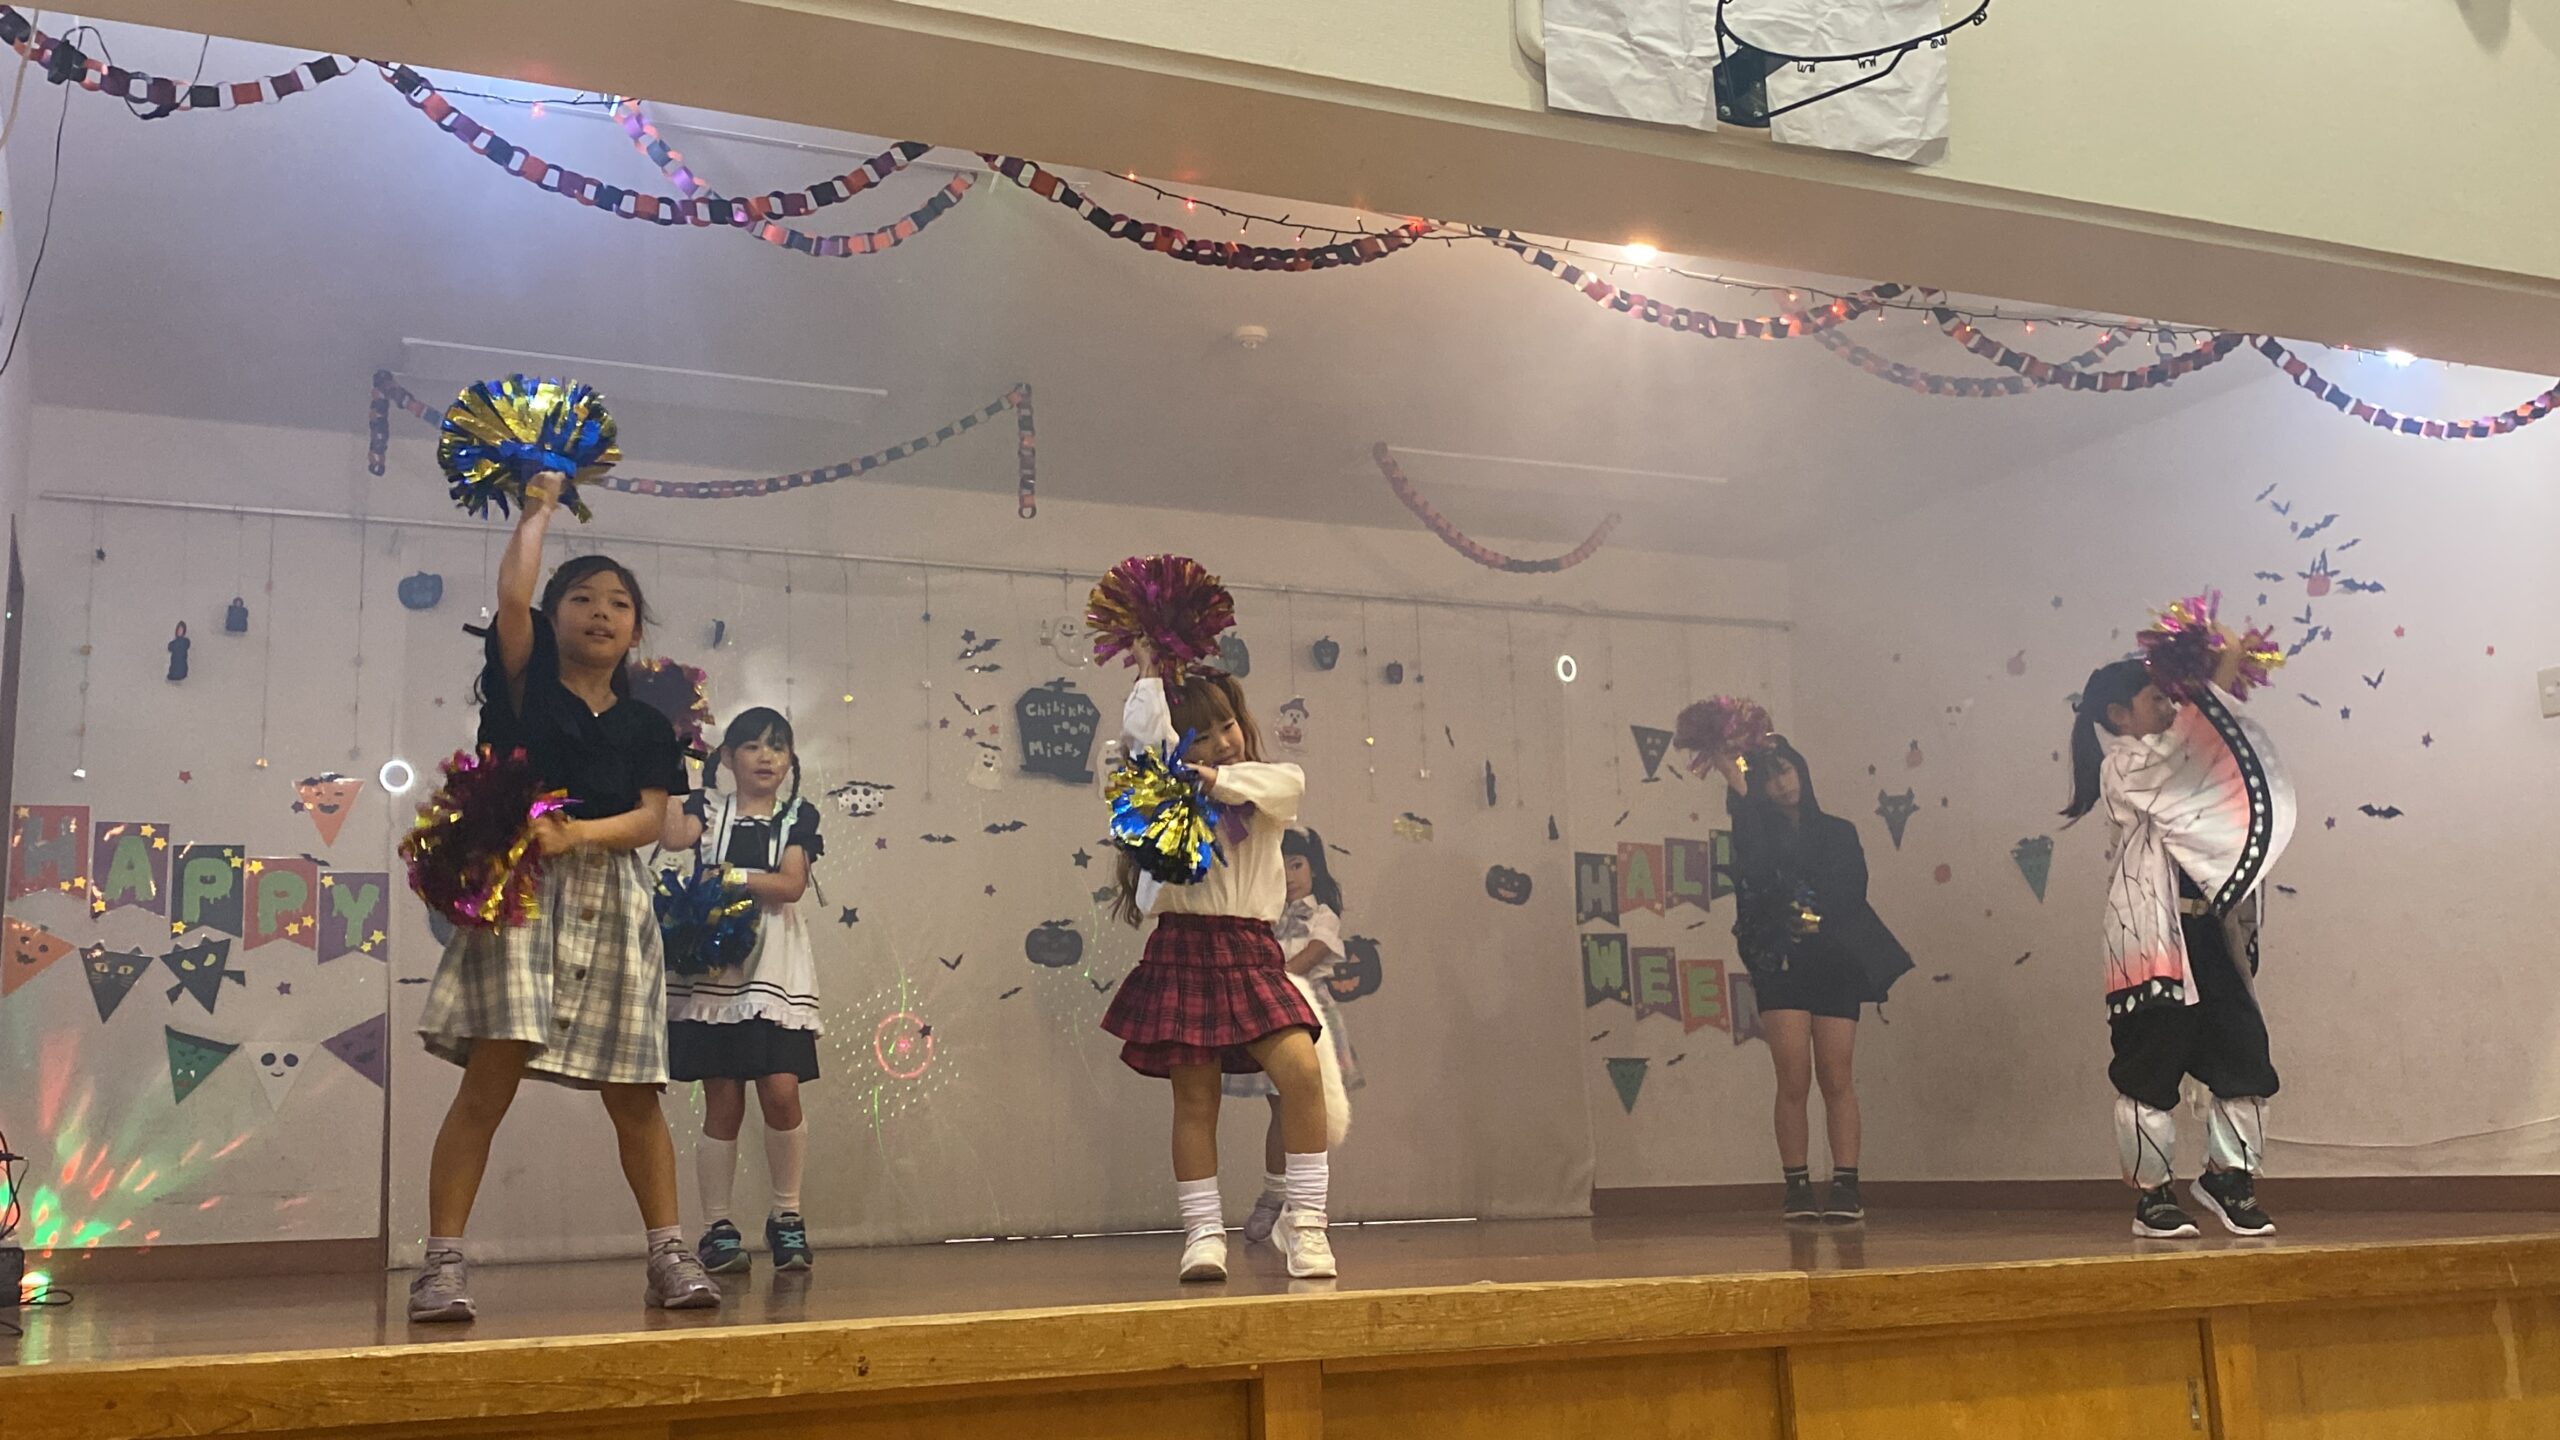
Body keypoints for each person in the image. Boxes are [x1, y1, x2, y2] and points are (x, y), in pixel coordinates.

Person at [408, 468, 716, 1322]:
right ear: (552, 617)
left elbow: (652, 819)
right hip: (523, 893)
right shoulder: (525, 684)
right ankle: (441, 1267)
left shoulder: (649, 724)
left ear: (636, 629)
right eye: (582, 598)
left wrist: (577, 834)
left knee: (636, 1092)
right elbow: (512, 594)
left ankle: (669, 1257)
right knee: (488, 1082)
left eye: (619, 604)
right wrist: (539, 508)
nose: (602, 613)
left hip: (612, 899)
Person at [1102, 649, 1338, 1281]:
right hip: (1183, 949)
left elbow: (1286, 785)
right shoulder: (1160, 801)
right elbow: (1144, 742)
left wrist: (1212, 778)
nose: (1222, 741)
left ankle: (1306, 1223)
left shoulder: (1265, 787)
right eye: (1201, 734)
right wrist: (1150, 674)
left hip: (1249, 952)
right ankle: (1203, 1234)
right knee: (1195, 1098)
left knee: (1302, 1073)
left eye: (1227, 724)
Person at [2063, 653, 2294, 1239]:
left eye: (2171, 698)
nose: (2170, 709)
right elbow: (2183, 751)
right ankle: (2154, 1195)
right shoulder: (2125, 766)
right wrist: (2207, 684)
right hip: (2153, 944)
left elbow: (2217, 763)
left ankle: (2228, 1177)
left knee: (2245, 1057)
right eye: (2156, 699)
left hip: (2208, 935)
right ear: (2118, 714)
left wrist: (2211, 687)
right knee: (2150, 1066)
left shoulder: (2180, 760)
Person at [1715, 736, 1909, 1224]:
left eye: (1786, 771)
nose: (1782, 784)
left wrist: (1811, 913)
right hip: (1781, 963)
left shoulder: (1839, 831)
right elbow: (1755, 873)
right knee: (1793, 1077)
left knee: (1837, 1075)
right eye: (1769, 778)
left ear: (1801, 770)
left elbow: (1851, 891)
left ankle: (1846, 1185)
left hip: (1836, 963)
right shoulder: (1756, 832)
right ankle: (1797, 1187)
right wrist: (1735, 779)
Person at [662, 707, 825, 1275]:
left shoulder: (797, 816)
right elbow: (671, 835)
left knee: (781, 1090)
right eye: (752, 746)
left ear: (790, 760)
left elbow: (791, 885)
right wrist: (668, 759)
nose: (766, 757)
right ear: (727, 758)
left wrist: (729, 877)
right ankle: (717, 1228)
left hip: (775, 970)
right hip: (714, 973)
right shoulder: (706, 808)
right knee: (723, 1098)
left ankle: (787, 1215)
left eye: (777, 746)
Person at [1227, 826, 1358, 1244]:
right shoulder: (1262, 916)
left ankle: (1302, 1205)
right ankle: (1275, 1193)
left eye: (1297, 864)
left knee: (1306, 1106)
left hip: (1309, 1015)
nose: (1289, 875)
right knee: (1280, 1110)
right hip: (1271, 1018)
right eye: (1279, 866)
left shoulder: (1323, 916)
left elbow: (1308, 958)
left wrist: (1268, 979)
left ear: (1314, 869)